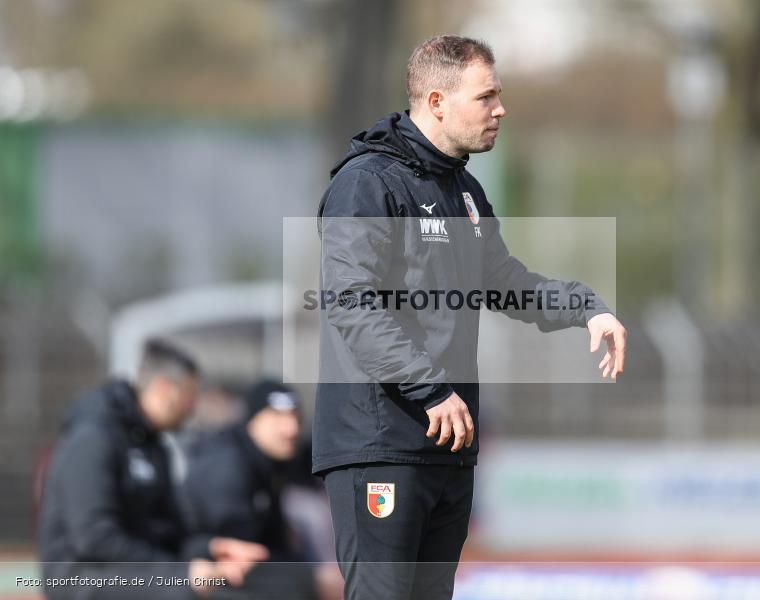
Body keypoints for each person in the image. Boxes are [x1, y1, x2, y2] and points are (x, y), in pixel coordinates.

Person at [313, 35, 628, 600]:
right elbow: (351, 303)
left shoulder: (464, 189)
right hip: (382, 442)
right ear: (436, 101)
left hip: (448, 445)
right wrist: (431, 390)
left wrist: (586, 309)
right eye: (486, 97)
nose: (500, 109)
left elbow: (503, 281)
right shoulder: (367, 183)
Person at [38, 339, 268, 600]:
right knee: (185, 591)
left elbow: (169, 529)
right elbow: (94, 539)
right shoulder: (93, 438)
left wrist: (211, 548)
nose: (192, 407)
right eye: (189, 395)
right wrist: (178, 572)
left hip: (141, 572)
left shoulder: (153, 444)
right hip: (83, 577)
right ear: (163, 388)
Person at [184, 379, 342, 600]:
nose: (291, 429)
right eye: (277, 417)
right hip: (191, 572)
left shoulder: (269, 464)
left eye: (294, 417)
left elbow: (273, 543)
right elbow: (237, 552)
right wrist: (314, 578)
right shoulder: (227, 465)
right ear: (253, 420)